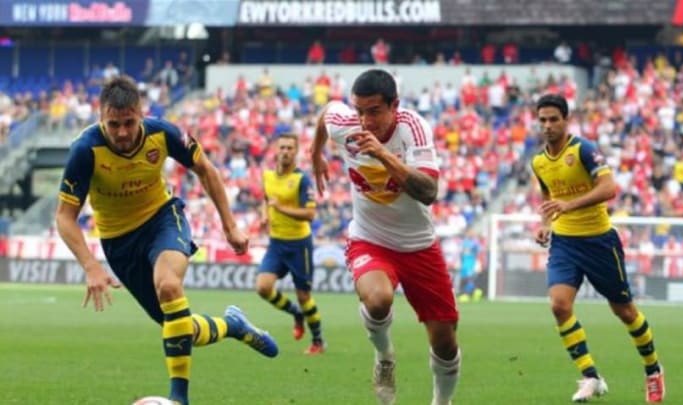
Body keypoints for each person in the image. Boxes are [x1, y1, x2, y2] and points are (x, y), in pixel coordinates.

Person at [55, 75, 278, 405]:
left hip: (163, 219)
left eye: (129, 123)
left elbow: (207, 170)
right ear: (102, 116)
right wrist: (90, 266)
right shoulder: (85, 150)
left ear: (140, 114)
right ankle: (234, 326)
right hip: (118, 242)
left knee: (169, 286)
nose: (121, 133)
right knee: (178, 326)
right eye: (113, 124)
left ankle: (179, 398)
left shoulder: (164, 133)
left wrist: (230, 226)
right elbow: (64, 216)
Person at [311, 69, 461, 405]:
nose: (365, 121)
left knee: (445, 342)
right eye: (360, 111)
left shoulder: (413, 128)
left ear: (395, 105)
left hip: (419, 245)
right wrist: (315, 152)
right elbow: (325, 116)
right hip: (370, 238)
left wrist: (382, 154)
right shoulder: (345, 122)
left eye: (374, 111)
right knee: (377, 300)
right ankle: (384, 356)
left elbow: (428, 191)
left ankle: (442, 402)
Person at [531, 94, 665, 403]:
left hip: (599, 241)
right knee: (559, 305)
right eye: (543, 120)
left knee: (625, 311)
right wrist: (546, 223)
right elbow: (547, 195)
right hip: (564, 243)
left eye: (553, 119)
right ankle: (591, 377)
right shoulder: (538, 161)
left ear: (566, 120)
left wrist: (569, 205)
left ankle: (653, 369)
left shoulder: (584, 150)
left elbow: (609, 188)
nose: (548, 125)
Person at [256, 133, 325, 355]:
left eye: (289, 148)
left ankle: (318, 341)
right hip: (276, 243)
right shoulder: (267, 176)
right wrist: (265, 215)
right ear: (276, 150)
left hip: (299, 245)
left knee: (304, 296)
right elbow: (266, 200)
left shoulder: (301, 180)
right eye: (282, 148)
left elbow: (310, 214)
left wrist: (280, 208)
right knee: (263, 287)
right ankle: (295, 313)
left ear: (296, 152)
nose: (285, 152)